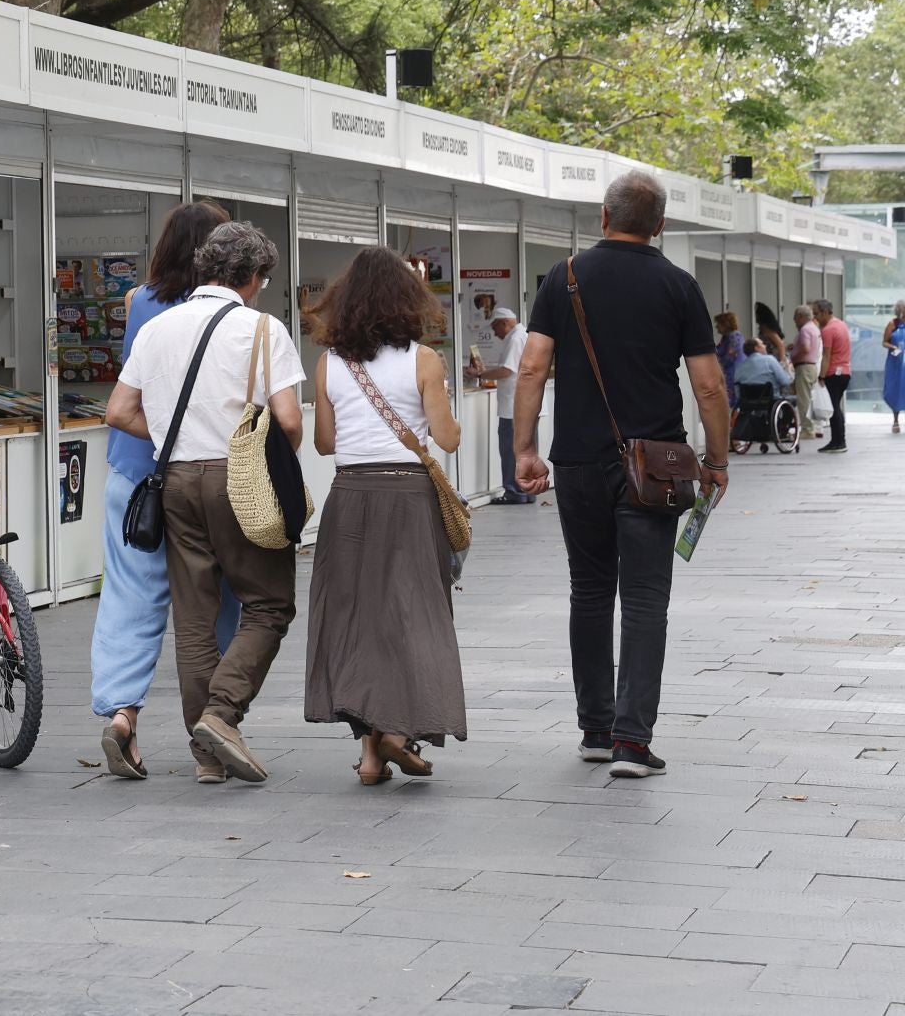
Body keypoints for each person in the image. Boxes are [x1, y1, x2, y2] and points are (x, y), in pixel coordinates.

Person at [513, 174, 729, 780]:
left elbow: (531, 369)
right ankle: (633, 742)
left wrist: (525, 449)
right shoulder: (679, 286)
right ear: (659, 225)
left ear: (603, 216)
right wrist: (717, 460)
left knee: (589, 591)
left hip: (578, 461)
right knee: (643, 600)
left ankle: (596, 730)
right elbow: (708, 383)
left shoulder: (565, 278)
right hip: (653, 469)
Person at [107, 222, 304, 785]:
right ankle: (222, 715)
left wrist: (173, 434)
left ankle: (208, 758)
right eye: (263, 278)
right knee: (268, 603)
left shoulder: (158, 328)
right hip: (237, 481)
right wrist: (257, 458)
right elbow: (289, 420)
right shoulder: (263, 330)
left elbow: (118, 412)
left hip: (174, 478)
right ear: (250, 277)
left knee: (194, 619)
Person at [92, 201, 243, 780]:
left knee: (130, 599)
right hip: (207, 475)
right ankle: (216, 727)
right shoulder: (230, 313)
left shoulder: (140, 303)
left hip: (135, 478)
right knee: (219, 601)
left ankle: (122, 716)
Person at [307, 247, 466, 786]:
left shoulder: (330, 363)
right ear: (407, 301)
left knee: (359, 619)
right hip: (408, 497)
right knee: (412, 614)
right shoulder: (424, 361)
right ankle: (395, 732)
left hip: (350, 496)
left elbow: (326, 444)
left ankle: (372, 753)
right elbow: (445, 438)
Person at [463, 306, 535, 505]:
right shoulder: (525, 334)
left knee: (511, 450)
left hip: (514, 406)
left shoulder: (515, 338)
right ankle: (527, 491)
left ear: (504, 323)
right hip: (526, 404)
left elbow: (506, 371)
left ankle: (514, 491)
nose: (494, 334)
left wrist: (479, 374)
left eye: (495, 328)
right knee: (525, 451)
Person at [817, 298, 852, 454]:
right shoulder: (841, 325)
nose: (815, 317)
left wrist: (821, 375)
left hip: (834, 372)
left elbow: (826, 355)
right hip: (845, 371)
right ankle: (837, 440)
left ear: (825, 312)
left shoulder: (828, 330)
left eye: (816, 313)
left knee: (833, 408)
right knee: (835, 406)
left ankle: (839, 441)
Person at [791, 305, 823, 439]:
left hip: (804, 366)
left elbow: (806, 348)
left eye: (795, 318)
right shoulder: (814, 328)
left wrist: (794, 357)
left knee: (803, 399)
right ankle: (813, 426)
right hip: (813, 366)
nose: (794, 321)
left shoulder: (804, 330)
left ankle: (807, 429)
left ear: (801, 317)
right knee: (810, 398)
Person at [714, 311, 744, 408]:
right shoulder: (726, 338)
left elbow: (729, 357)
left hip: (733, 375)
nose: (716, 327)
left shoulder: (734, 337)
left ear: (725, 324)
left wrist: (716, 364)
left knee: (731, 403)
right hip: (729, 374)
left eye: (718, 324)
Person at [884, 300, 905, 434]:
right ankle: (895, 420)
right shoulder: (892, 324)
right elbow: (884, 342)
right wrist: (893, 347)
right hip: (895, 361)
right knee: (895, 388)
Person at [754, 302, 787, 367]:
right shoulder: (763, 329)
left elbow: (780, 345)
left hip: (774, 360)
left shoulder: (768, 330)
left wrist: (781, 363)